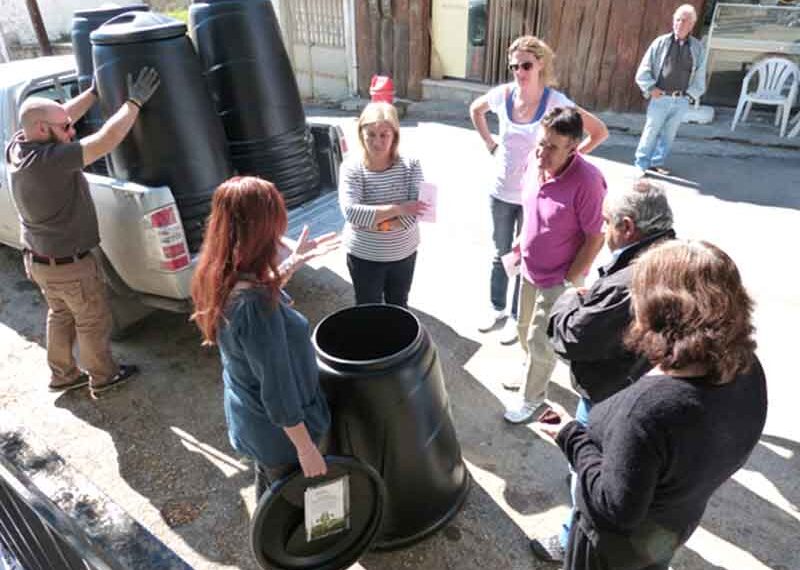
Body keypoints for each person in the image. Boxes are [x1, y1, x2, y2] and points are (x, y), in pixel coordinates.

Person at [535, 240, 768, 570]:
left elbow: (615, 509)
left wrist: (569, 435)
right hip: (674, 524)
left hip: (610, 553)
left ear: (662, 310)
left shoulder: (648, 409)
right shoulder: (747, 368)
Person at [529, 179, 676, 563]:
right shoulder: (671, 255)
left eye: (607, 221)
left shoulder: (631, 282)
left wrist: (568, 302)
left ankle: (570, 536)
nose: (601, 228)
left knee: (589, 475)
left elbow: (574, 339)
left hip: (610, 393)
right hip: (641, 383)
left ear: (627, 227)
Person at [4, 67, 160, 398]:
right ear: (43, 130)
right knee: (92, 321)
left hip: (40, 261)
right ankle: (103, 377)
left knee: (60, 315)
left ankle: (62, 375)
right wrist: (134, 102)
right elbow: (106, 140)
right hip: (71, 264)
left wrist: (91, 94)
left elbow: (60, 117)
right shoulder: (51, 160)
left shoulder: (19, 146)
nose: (72, 130)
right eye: (64, 128)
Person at [191, 176, 340, 499]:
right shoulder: (256, 309)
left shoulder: (221, 274)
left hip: (251, 421)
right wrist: (306, 449)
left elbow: (258, 293)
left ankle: (266, 530)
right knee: (294, 505)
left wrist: (293, 262)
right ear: (261, 230)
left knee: (270, 489)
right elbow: (279, 391)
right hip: (280, 438)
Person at [469, 35, 607, 345]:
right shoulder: (503, 95)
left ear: (541, 63)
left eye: (526, 65)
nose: (520, 71)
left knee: (527, 259)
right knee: (501, 253)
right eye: (515, 66)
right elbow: (475, 110)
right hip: (501, 192)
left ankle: (518, 317)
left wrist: (571, 157)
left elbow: (599, 131)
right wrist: (491, 144)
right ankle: (497, 308)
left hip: (536, 196)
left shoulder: (556, 101)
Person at [503, 107, 606, 424]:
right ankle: (533, 370)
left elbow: (596, 237)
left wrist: (573, 276)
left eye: (551, 147)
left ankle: (534, 399)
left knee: (540, 339)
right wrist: (521, 242)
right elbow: (531, 207)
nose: (542, 152)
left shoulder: (588, 182)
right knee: (523, 327)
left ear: (573, 148)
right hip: (529, 269)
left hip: (559, 276)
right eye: (541, 142)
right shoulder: (537, 165)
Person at [339, 101, 427, 308]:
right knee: (368, 308)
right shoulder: (352, 168)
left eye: (384, 135)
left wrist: (374, 223)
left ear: (394, 135)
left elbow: (418, 210)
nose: (377, 142)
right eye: (370, 134)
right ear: (361, 134)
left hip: (403, 254)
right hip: (364, 256)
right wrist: (399, 209)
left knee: (398, 305)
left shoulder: (411, 165)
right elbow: (352, 213)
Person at [634, 4, 706, 176]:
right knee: (651, 131)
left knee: (669, 135)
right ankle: (641, 164)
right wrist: (651, 88)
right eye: (677, 19)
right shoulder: (660, 43)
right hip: (660, 97)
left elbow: (700, 74)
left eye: (684, 20)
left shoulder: (697, 48)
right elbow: (644, 68)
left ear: (691, 25)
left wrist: (690, 96)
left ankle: (656, 162)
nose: (680, 23)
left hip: (680, 99)